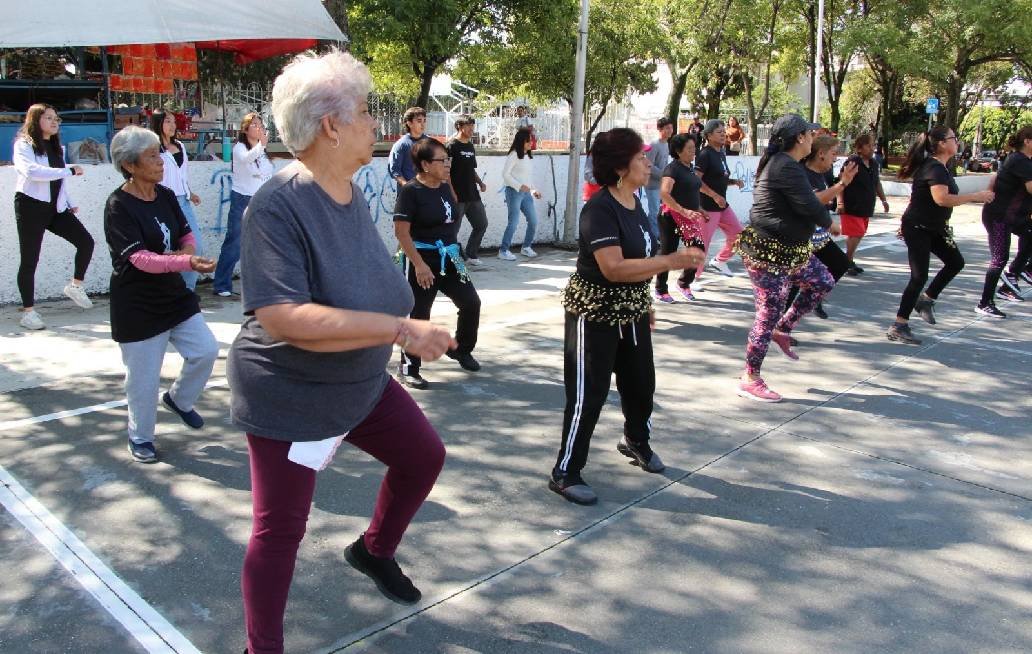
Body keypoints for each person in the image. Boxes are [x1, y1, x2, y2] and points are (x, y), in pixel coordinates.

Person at [228, 50, 453, 654]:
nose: (375, 124)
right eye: (363, 111)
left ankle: (372, 550)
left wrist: (401, 318)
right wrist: (400, 329)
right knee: (279, 533)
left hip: (359, 381)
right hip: (293, 394)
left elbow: (359, 288)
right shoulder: (276, 204)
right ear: (330, 125)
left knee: (423, 457)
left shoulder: (351, 193)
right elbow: (283, 317)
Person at [549, 128, 705, 505]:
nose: (648, 163)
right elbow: (614, 268)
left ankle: (636, 441)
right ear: (621, 166)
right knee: (590, 393)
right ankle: (566, 471)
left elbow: (638, 263)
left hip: (632, 309)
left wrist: (645, 301)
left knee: (641, 383)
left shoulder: (639, 201)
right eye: (640, 158)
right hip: (594, 313)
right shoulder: (599, 210)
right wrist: (672, 260)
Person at [105, 126, 219, 464]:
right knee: (142, 380)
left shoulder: (166, 195)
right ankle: (141, 437)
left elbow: (186, 234)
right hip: (137, 305)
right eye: (152, 156)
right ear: (130, 164)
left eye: (160, 153)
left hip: (173, 295)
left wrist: (186, 253)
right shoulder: (118, 206)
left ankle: (180, 400)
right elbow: (139, 259)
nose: (161, 161)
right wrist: (183, 261)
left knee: (206, 350)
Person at [734, 114, 836, 403]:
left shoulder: (789, 164)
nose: (814, 138)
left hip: (789, 251)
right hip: (766, 253)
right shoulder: (784, 166)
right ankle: (750, 377)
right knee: (768, 311)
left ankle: (784, 328)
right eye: (810, 134)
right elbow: (809, 204)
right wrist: (830, 223)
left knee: (821, 281)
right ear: (800, 138)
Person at [887, 127, 994, 345]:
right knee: (919, 277)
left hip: (934, 227)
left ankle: (926, 300)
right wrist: (977, 196)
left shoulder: (940, 167)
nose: (958, 142)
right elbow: (942, 199)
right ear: (942, 144)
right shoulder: (934, 168)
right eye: (954, 138)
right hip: (918, 227)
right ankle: (899, 325)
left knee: (955, 262)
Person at [395, 138, 482, 389]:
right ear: (424, 164)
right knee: (419, 315)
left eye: (448, 160)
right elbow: (401, 233)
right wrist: (420, 265)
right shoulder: (411, 192)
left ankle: (460, 349)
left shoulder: (445, 186)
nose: (447, 164)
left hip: (450, 257)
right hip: (422, 258)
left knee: (471, 302)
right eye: (441, 160)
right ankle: (409, 368)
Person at [13, 103, 94, 330]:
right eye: (49, 118)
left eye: (56, 118)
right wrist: (68, 170)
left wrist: (69, 202)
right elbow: (32, 172)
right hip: (30, 207)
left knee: (85, 242)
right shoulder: (24, 145)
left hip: (55, 208)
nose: (54, 122)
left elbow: (58, 178)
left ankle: (75, 285)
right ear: (35, 120)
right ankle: (28, 312)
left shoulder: (57, 147)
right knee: (30, 259)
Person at [786, 135, 859, 321]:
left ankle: (813, 296)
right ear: (820, 154)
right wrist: (842, 184)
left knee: (840, 264)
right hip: (801, 236)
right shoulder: (802, 174)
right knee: (793, 283)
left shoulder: (824, 174)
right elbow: (814, 201)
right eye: (833, 153)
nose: (836, 158)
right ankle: (779, 323)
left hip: (819, 236)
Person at [212, 112, 275, 297]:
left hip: (261, 200)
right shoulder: (239, 148)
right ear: (245, 129)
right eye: (254, 125)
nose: (259, 127)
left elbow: (266, 173)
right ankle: (221, 284)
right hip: (243, 199)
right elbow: (247, 159)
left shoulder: (262, 152)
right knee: (235, 242)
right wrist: (262, 146)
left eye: (260, 124)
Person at [976, 126, 1032, 317]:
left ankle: (1014, 276)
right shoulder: (1020, 160)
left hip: (1015, 216)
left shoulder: (1023, 161)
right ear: (1027, 141)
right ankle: (985, 302)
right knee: (999, 259)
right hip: (999, 217)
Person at [149, 108, 204, 290]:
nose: (172, 125)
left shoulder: (179, 145)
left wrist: (190, 192)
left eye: (173, 121)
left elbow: (182, 176)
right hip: (163, 203)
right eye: (167, 121)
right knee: (167, 249)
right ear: (158, 124)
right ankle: (170, 291)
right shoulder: (154, 148)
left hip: (184, 202)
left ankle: (187, 289)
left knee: (195, 246)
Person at [654, 133, 706, 303]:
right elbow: (664, 193)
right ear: (678, 151)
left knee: (698, 249)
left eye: (694, 148)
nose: (694, 151)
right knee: (668, 252)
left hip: (688, 216)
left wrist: (700, 209)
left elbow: (688, 193)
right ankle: (660, 289)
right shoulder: (672, 169)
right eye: (689, 149)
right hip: (670, 216)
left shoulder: (689, 168)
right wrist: (683, 210)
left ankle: (684, 283)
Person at [696, 119, 746, 280]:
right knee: (703, 244)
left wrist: (733, 182)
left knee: (739, 235)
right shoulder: (705, 154)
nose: (724, 134)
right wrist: (714, 196)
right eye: (719, 132)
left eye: (724, 131)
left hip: (722, 206)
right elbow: (697, 181)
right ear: (709, 136)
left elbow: (719, 177)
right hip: (707, 207)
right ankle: (690, 279)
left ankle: (719, 260)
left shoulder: (720, 153)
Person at [839, 133, 891, 275]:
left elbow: (877, 183)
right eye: (869, 145)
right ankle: (846, 262)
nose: (872, 148)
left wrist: (884, 199)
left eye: (873, 145)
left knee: (858, 234)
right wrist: (840, 202)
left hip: (866, 206)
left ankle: (848, 260)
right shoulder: (852, 162)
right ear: (859, 148)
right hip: (852, 206)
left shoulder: (874, 163)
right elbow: (840, 182)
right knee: (857, 233)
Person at [447, 115, 488, 265]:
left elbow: (471, 169)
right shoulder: (451, 146)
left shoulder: (470, 146)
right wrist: (451, 192)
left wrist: (480, 183)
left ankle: (471, 254)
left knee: (481, 224)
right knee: (452, 231)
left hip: (473, 194)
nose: (472, 129)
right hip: (458, 196)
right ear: (460, 126)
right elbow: (446, 172)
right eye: (468, 125)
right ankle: (451, 258)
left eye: (473, 126)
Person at [499, 127, 541, 260]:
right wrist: (519, 186)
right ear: (521, 141)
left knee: (533, 221)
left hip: (526, 194)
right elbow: (505, 175)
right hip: (513, 192)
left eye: (531, 141)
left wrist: (533, 190)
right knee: (514, 222)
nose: (531, 143)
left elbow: (527, 177)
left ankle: (526, 247)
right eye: (528, 141)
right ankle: (503, 250)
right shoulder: (514, 155)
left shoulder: (527, 156)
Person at [644, 117, 674, 238]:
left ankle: (655, 235)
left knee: (661, 211)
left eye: (671, 128)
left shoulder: (666, 144)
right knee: (654, 211)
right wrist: (664, 175)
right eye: (667, 128)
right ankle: (654, 237)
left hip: (662, 184)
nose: (670, 130)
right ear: (659, 129)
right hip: (652, 185)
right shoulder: (654, 145)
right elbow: (648, 165)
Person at [387, 107, 428, 192]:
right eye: (419, 121)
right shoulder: (401, 145)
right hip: (408, 195)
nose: (423, 124)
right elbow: (394, 170)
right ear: (409, 123)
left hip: (428, 192)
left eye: (424, 120)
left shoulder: (430, 143)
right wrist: (407, 187)